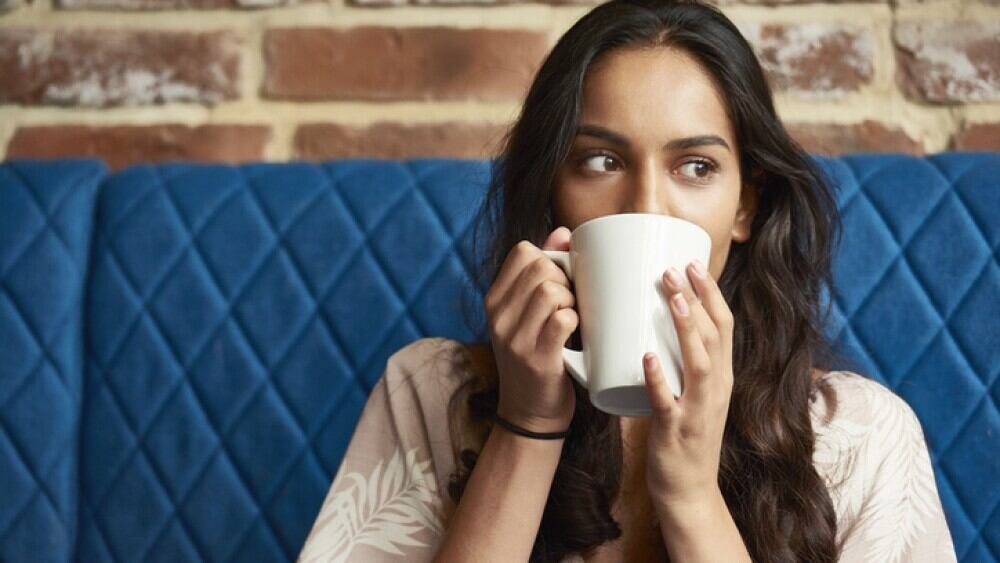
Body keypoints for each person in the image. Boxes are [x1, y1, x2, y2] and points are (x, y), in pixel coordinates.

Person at [297, 0, 957, 561]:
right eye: (601, 160)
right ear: (553, 192)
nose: (646, 206)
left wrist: (692, 495)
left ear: (746, 207)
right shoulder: (428, 394)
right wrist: (526, 424)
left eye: (695, 166)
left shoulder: (862, 436)